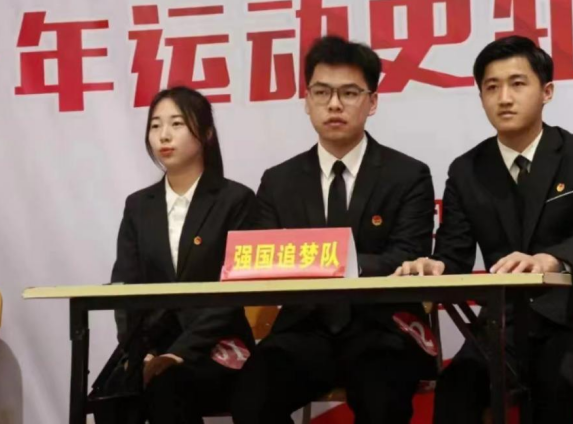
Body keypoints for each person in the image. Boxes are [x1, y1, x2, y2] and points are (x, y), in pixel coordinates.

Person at [395, 35, 573, 424]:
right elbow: (453, 253)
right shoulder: (466, 170)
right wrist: (436, 266)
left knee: (552, 376)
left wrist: (549, 260)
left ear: (547, 91)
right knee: (456, 386)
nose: (504, 98)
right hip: (504, 326)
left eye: (518, 84)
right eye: (492, 87)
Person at [230, 36, 436, 424]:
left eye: (349, 93)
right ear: (307, 101)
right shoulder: (279, 181)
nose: (335, 104)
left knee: (382, 399)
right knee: (251, 399)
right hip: (303, 330)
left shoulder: (408, 175)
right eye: (322, 92)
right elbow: (264, 261)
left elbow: (406, 255)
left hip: (382, 329)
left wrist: (325, 261)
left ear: (372, 102)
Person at [98, 86, 255, 424]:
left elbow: (234, 292)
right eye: (155, 125)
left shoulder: (235, 200)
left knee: (167, 388)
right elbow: (125, 286)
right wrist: (138, 351)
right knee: (110, 400)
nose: (163, 135)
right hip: (152, 344)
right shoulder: (139, 206)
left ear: (207, 133)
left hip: (216, 343)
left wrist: (179, 353)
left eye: (177, 124)